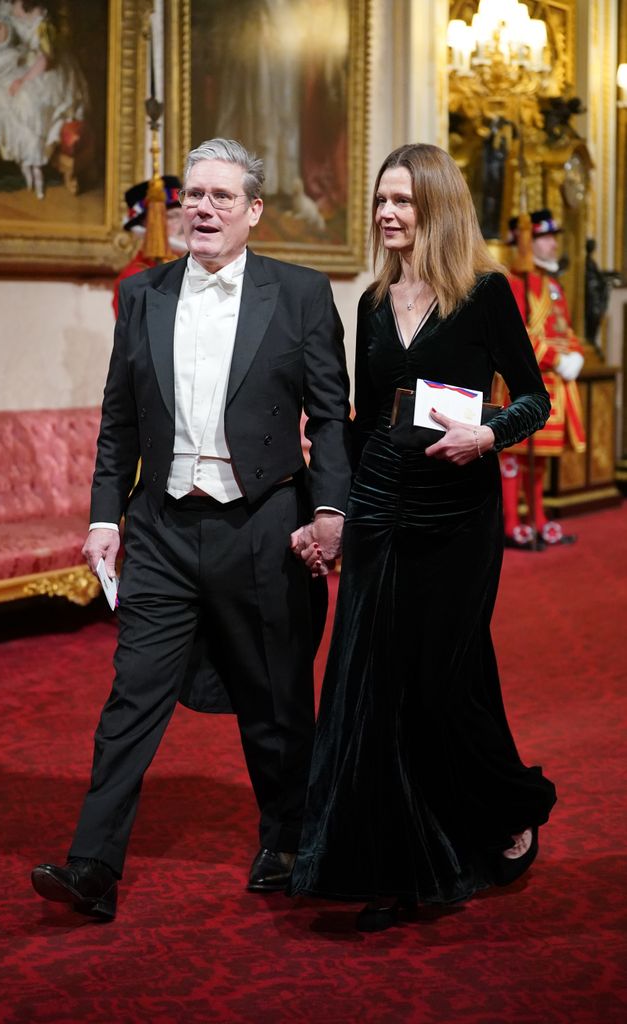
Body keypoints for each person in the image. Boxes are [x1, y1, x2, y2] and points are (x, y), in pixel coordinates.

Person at [31, 137, 352, 921]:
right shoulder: (143, 295)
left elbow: (332, 419)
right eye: (192, 197)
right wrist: (105, 515)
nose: (201, 209)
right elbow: (118, 421)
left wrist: (330, 510)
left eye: (219, 197)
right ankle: (93, 865)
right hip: (163, 527)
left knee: (274, 700)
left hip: (263, 523)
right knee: (132, 697)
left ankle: (285, 838)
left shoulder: (303, 295)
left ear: (253, 212)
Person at [288, 143, 557, 932]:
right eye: (379, 200)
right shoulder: (372, 301)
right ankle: (388, 861)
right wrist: (325, 502)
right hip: (379, 505)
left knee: (448, 673)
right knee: (372, 683)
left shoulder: (483, 294)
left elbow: (534, 398)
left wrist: (489, 436)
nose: (385, 213)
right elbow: (363, 419)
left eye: (400, 200)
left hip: (457, 513)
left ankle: (505, 805)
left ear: (434, 205)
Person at [501, 209, 586, 549]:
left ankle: (536, 517)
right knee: (514, 454)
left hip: (554, 385)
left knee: (540, 460)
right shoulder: (512, 282)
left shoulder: (552, 285)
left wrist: (575, 353)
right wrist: (555, 358)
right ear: (528, 241)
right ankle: (510, 522)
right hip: (523, 380)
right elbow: (515, 337)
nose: (553, 244)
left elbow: (564, 328)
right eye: (545, 238)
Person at [0, 0, 87, 199]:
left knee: (27, 98)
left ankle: (35, 163)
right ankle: (25, 160)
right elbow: (7, 34)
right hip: (28, 61)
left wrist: (22, 80)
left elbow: (46, 60)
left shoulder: (43, 17)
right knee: (1, 91)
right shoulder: (10, 7)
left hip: (49, 69)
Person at [111, 174, 187, 318]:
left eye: (186, 215)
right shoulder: (135, 278)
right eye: (173, 216)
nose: (185, 224)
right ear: (149, 224)